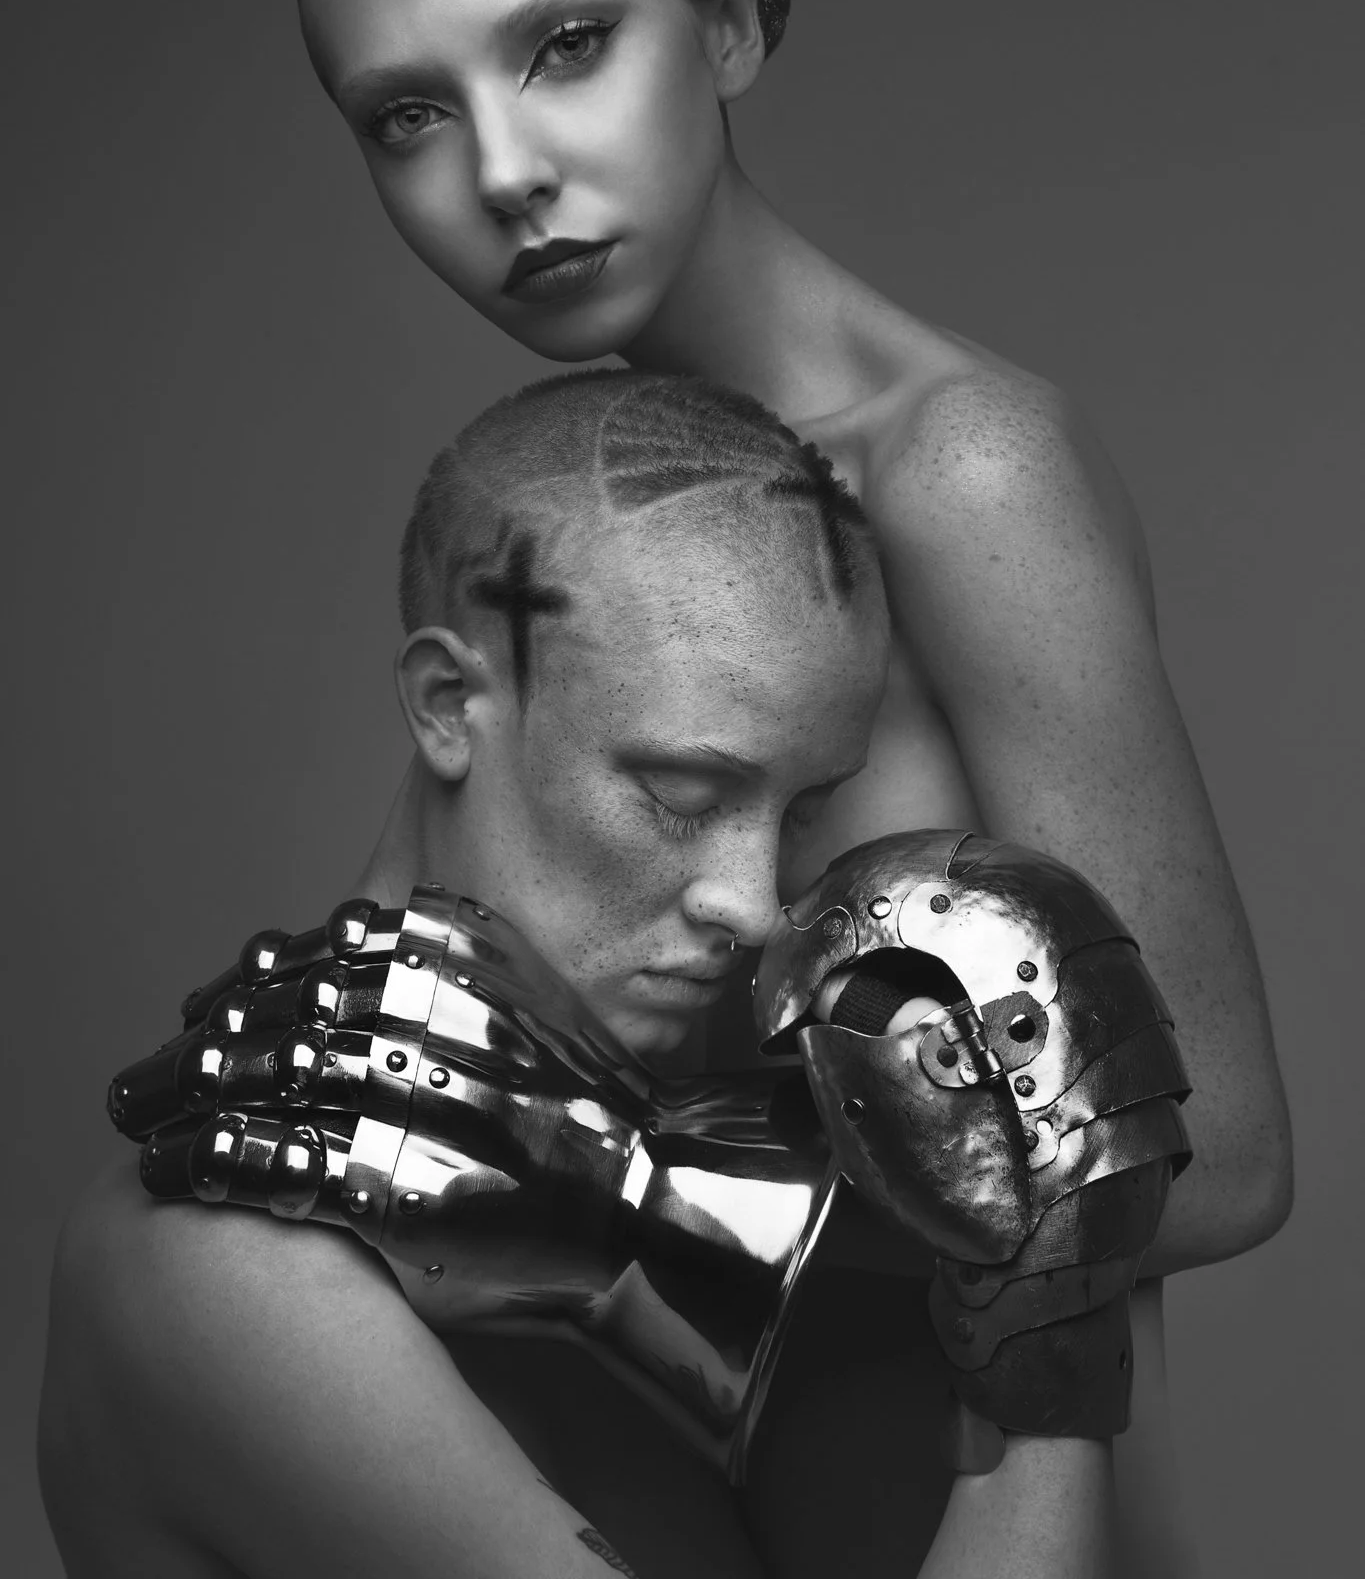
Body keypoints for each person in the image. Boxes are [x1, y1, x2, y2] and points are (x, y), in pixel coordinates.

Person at [289, 0, 1289, 1266]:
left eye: (566, 44)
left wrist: (609, 1199)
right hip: (655, 1480)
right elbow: (380, 1037)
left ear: (736, 22)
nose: (501, 172)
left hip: (972, 1479)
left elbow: (1217, 1159)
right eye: (407, 115)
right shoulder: (596, 513)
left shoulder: (961, 468)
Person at [44, 369, 1135, 1579]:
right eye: (682, 793)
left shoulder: (705, 1220)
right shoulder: (225, 1278)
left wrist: (1046, 1280)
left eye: (806, 809)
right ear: (450, 702)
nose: (757, 901)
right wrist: (1053, 1348)